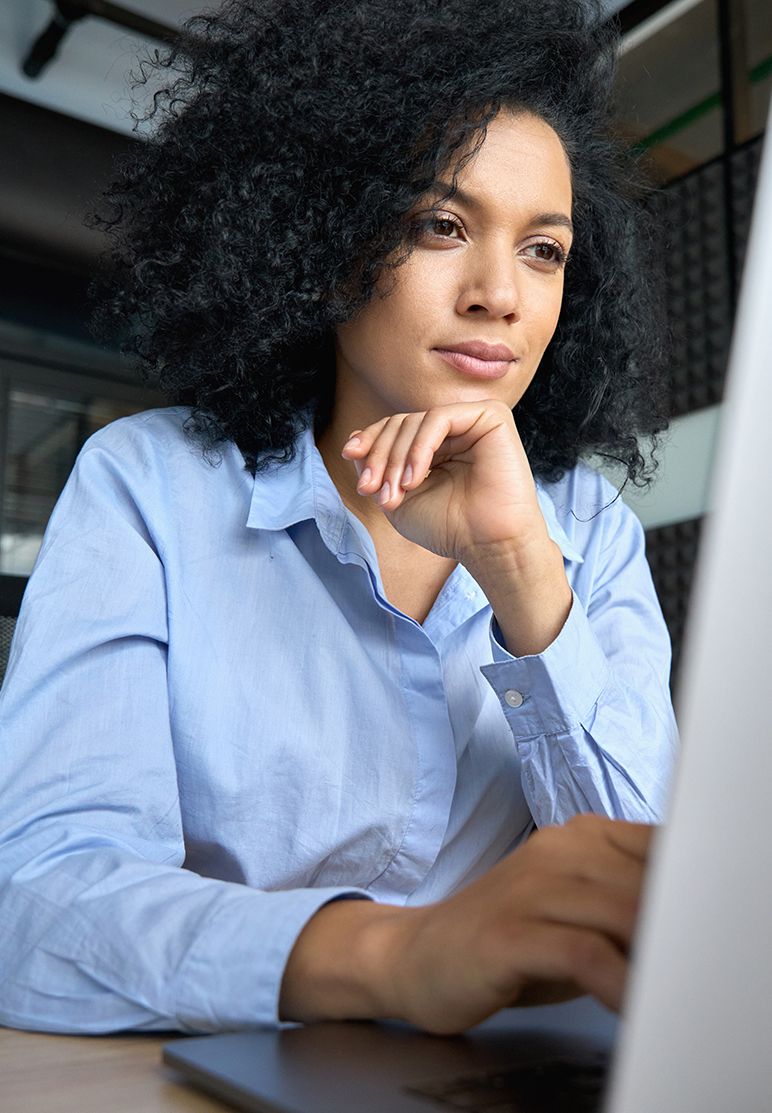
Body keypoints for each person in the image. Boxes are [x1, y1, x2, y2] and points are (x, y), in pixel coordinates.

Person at [0, 0, 677, 1036]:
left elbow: (648, 908)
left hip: (497, 1080)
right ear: (322, 240)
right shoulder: (150, 487)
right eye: (440, 225)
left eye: (544, 250)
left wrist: (520, 570)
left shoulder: (588, 528)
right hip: (202, 1074)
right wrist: (396, 957)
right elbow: (39, 904)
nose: (499, 293)